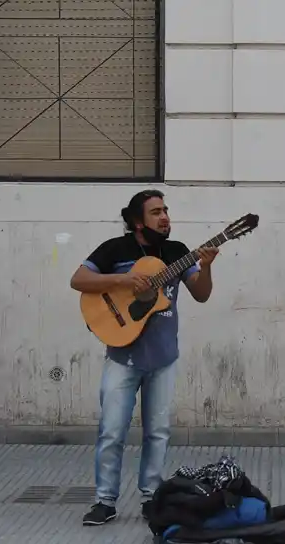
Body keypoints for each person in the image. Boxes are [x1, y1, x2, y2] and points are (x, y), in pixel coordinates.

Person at [70, 190, 219, 526]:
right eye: (156, 212)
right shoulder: (116, 249)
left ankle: (151, 496)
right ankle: (105, 500)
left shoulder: (178, 252)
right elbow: (78, 279)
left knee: (158, 432)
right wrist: (123, 279)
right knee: (112, 430)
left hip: (163, 357)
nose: (165, 217)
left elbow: (202, 294)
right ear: (138, 222)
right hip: (123, 357)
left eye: (166, 210)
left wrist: (206, 268)